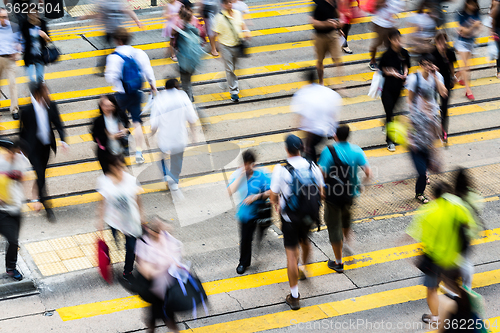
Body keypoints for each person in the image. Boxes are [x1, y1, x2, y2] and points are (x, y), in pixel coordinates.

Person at [406, 181, 476, 325]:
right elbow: (469, 226)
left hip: (433, 258)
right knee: (454, 287)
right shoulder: (457, 206)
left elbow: (413, 235)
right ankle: (464, 313)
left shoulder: (428, 211)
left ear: (433, 195)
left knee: (432, 289)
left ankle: (436, 317)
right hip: (453, 258)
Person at [270, 134, 324, 311]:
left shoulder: (281, 170)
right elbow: (321, 192)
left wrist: (277, 203)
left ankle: (294, 297)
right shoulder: (312, 166)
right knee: (306, 241)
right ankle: (305, 269)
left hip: (289, 219)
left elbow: (273, 195)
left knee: (291, 255)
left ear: (287, 149)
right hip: (308, 216)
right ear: (300, 148)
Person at [318, 125, 371, 273]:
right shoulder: (356, 150)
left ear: (335, 136)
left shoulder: (328, 152)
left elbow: (321, 173)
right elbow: (368, 172)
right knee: (346, 219)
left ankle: (339, 263)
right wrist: (360, 185)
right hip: (350, 194)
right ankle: (347, 243)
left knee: (334, 227)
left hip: (333, 196)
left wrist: (321, 190)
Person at [105, 27, 157, 165]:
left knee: (120, 121)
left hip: (121, 94)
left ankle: (124, 147)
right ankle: (139, 153)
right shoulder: (138, 53)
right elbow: (148, 71)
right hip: (137, 93)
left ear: (117, 40)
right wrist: (153, 87)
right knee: (137, 122)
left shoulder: (114, 57)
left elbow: (110, 77)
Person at [19, 82, 67, 222]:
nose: (48, 94)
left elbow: (58, 123)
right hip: (32, 148)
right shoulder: (27, 110)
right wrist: (21, 149)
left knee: (42, 174)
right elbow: (21, 130)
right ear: (37, 94)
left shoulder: (51, 105)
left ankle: (36, 194)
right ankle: (47, 207)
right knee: (40, 175)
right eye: (45, 92)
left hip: (46, 146)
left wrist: (63, 140)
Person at [406, 53, 447, 204]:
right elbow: (409, 100)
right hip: (418, 120)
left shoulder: (437, 76)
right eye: (428, 65)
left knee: (431, 147)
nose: (430, 67)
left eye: (432, 64)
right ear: (422, 64)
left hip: (432, 119)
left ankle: (424, 172)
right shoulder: (414, 78)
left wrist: (435, 75)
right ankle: (422, 176)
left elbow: (443, 92)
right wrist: (413, 119)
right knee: (421, 152)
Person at [97, 154, 144, 283]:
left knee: (131, 247)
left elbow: (138, 199)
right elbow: (102, 203)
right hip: (114, 220)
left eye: (122, 167)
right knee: (115, 241)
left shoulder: (131, 180)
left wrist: (141, 218)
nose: (120, 170)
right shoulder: (104, 181)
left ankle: (127, 272)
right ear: (111, 167)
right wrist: (100, 223)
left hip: (131, 220)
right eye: (117, 167)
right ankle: (112, 256)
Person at [227, 150, 271, 275]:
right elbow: (230, 191)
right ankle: (244, 262)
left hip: (261, 211)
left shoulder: (262, 174)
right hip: (246, 214)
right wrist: (241, 176)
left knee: (261, 231)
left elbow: (272, 190)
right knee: (246, 239)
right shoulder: (238, 175)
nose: (248, 167)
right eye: (246, 164)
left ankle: (261, 235)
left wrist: (256, 197)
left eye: (250, 164)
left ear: (254, 164)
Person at [135, 218, 182, 333]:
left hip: (166, 286)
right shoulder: (143, 243)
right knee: (159, 315)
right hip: (153, 287)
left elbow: (176, 256)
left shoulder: (168, 240)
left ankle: (160, 326)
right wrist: (156, 271)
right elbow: (143, 268)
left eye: (160, 230)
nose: (158, 233)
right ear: (149, 231)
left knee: (162, 315)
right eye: (155, 230)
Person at [150, 79, 198, 192]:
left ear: (165, 88)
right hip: (179, 136)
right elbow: (192, 118)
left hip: (165, 137)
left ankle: (166, 175)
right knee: (177, 160)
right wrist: (194, 135)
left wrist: (150, 135)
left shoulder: (160, 98)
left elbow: (154, 123)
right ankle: (174, 181)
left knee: (160, 158)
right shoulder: (183, 96)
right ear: (178, 87)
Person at [78, 0, 144, 72]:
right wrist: (137, 21)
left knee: (109, 49)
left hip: (110, 31)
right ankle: (129, 65)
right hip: (119, 30)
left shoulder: (104, 3)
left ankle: (102, 68)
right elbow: (128, 11)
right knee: (122, 48)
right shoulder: (118, 2)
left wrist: (85, 17)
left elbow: (98, 14)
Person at [291, 70, 341, 162]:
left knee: (309, 150)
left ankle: (314, 168)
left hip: (312, 133)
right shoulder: (327, 92)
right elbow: (333, 111)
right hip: (325, 129)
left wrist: (296, 130)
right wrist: (333, 130)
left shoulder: (303, 93)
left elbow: (300, 116)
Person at [0, 140, 29, 281]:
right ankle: (11, 268)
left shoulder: (22, 162)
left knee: (14, 241)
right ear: (10, 151)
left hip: (16, 207)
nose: (18, 156)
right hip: (2, 210)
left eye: (21, 153)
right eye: (16, 153)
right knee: (12, 239)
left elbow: (22, 178)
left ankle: (11, 267)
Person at [213, 0, 251, 102]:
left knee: (236, 68)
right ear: (223, 5)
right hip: (225, 46)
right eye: (227, 2)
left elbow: (242, 24)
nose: (229, 4)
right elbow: (216, 34)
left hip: (237, 45)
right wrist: (216, 50)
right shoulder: (219, 18)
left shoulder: (238, 13)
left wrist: (246, 31)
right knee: (230, 69)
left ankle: (226, 81)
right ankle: (234, 92)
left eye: (230, 2)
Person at [378, 28, 410, 152]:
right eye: (395, 39)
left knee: (393, 113)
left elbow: (406, 64)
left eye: (399, 39)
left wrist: (405, 72)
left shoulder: (404, 52)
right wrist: (391, 73)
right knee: (390, 114)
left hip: (398, 88)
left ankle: (386, 124)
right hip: (387, 89)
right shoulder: (386, 55)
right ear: (390, 40)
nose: (398, 42)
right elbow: (382, 69)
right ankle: (390, 140)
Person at [91, 95, 130, 174]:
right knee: (110, 177)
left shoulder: (121, 115)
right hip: (106, 154)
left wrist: (124, 131)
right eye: (105, 106)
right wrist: (111, 137)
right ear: (101, 106)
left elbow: (127, 127)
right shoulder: (98, 121)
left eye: (110, 106)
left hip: (120, 152)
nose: (107, 108)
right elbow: (95, 138)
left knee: (123, 176)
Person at [173, 7, 204, 101]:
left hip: (184, 58)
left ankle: (188, 98)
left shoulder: (178, 25)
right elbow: (202, 34)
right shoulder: (195, 23)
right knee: (188, 77)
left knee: (185, 80)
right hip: (194, 58)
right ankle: (189, 95)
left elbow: (174, 42)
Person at [310, 0, 343, 85]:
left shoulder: (335, 3)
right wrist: (327, 24)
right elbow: (314, 22)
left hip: (332, 35)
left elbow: (336, 16)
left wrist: (339, 28)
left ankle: (340, 85)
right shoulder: (319, 5)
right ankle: (321, 81)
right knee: (320, 60)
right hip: (320, 36)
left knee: (338, 59)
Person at [432, 32, 456, 142]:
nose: (442, 44)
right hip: (433, 83)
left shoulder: (449, 52)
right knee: (431, 107)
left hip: (446, 82)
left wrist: (453, 77)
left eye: (444, 41)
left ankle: (443, 131)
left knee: (444, 108)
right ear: (436, 42)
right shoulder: (432, 53)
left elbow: (451, 66)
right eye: (440, 41)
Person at [455, 0, 481, 100]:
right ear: (467, 4)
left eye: (475, 4)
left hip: (471, 42)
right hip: (461, 42)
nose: (474, 6)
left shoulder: (476, 12)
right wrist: (473, 27)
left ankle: (456, 77)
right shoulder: (461, 14)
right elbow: (463, 30)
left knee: (466, 65)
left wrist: (475, 30)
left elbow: (479, 27)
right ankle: (468, 90)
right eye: (472, 4)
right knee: (466, 67)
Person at [368, 0, 403, 71]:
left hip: (390, 25)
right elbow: (374, 7)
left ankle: (392, 61)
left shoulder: (399, 1)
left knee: (392, 44)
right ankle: (372, 61)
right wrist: (381, 3)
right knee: (378, 43)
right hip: (380, 24)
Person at [0, 8, 21, 120]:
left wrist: (18, 52)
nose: (5, 19)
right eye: (2, 17)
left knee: (12, 85)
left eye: (6, 16)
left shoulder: (13, 26)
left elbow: (20, 41)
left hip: (10, 59)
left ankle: (14, 110)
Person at [21, 11, 51, 84]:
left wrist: (44, 36)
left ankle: (40, 94)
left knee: (40, 79)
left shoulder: (42, 23)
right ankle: (33, 95)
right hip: (29, 56)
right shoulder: (25, 25)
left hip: (40, 56)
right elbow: (22, 39)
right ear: (28, 14)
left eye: (35, 13)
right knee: (31, 79)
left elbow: (48, 41)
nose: (34, 15)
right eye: (31, 13)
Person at [492, 0, 500, 79]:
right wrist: (493, 31)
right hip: (498, 29)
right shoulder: (496, 2)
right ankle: (499, 71)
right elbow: (492, 17)